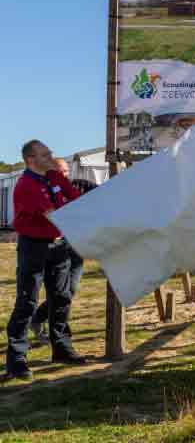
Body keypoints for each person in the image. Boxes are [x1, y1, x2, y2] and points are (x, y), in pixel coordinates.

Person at [4, 141, 87, 382]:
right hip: (34, 246)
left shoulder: (55, 177)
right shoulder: (26, 185)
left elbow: (75, 200)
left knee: (61, 297)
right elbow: (54, 215)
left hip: (59, 244)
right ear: (31, 159)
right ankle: (17, 360)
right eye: (45, 154)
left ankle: (61, 349)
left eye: (50, 152)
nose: (51, 156)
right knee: (27, 302)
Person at [30, 158, 93, 344]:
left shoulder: (80, 186)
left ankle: (39, 318)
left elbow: (105, 195)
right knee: (59, 292)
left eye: (66, 171)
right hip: (55, 246)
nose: (64, 175)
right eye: (59, 172)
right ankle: (58, 332)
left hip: (76, 247)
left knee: (70, 290)